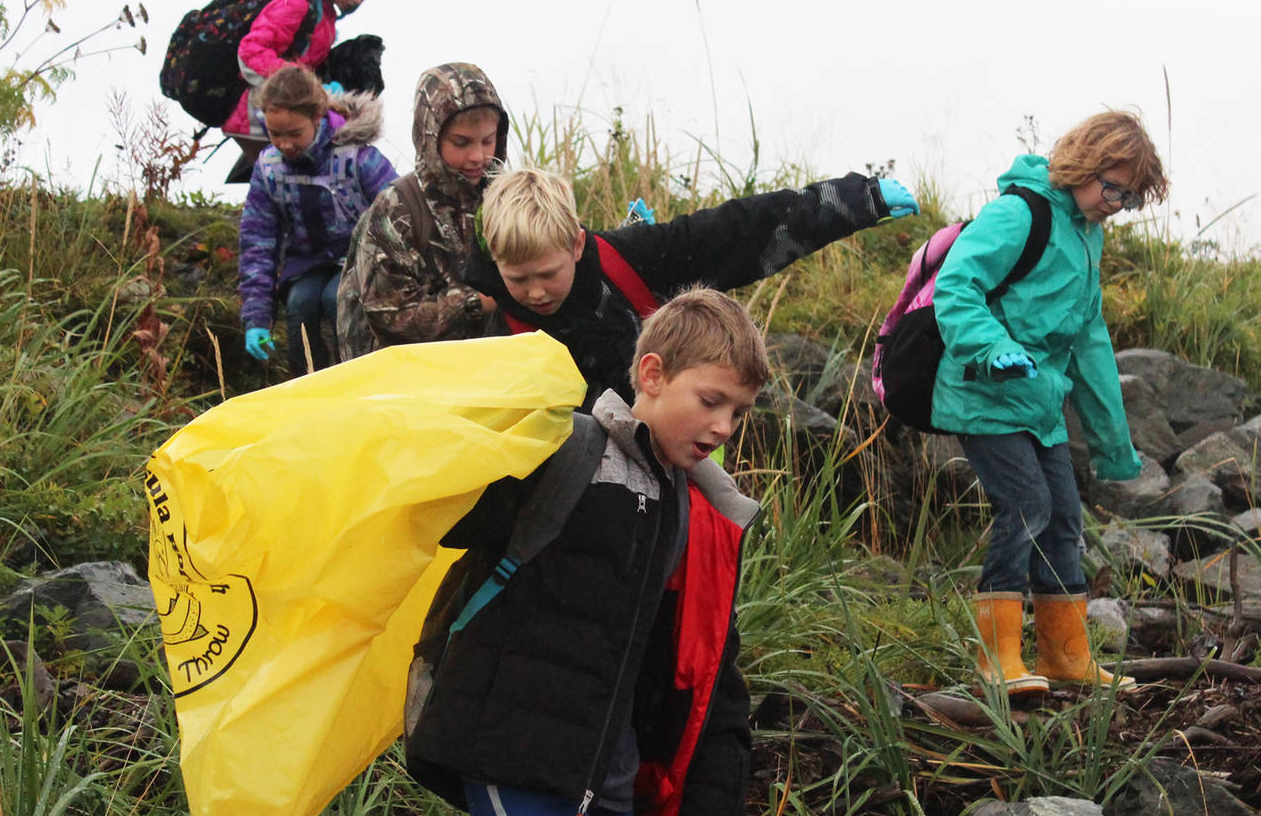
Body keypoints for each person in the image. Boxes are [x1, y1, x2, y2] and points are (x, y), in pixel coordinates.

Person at [405, 288, 767, 816]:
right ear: (652, 374)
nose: (722, 426)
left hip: (603, 768)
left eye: (738, 413)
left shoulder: (690, 504)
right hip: (511, 739)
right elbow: (429, 499)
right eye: (711, 400)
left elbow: (702, 664)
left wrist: (703, 814)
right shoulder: (562, 450)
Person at [931, 110, 1167, 697]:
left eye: (1130, 198)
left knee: (1063, 518)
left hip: (1039, 405)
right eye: (1113, 188)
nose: (1117, 205)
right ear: (1084, 165)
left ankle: (1065, 656)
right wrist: (992, 348)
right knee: (1026, 506)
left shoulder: (1088, 237)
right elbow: (956, 286)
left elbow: (1090, 342)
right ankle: (996, 660)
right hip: (984, 394)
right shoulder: (1020, 213)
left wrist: (1113, 444)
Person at [471, 166, 921, 402]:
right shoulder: (496, 339)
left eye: (547, 274)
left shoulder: (632, 258)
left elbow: (741, 229)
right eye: (518, 279)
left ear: (575, 245)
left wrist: (859, 200)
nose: (535, 292)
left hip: (673, 474)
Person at [336, 62, 507, 358]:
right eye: (461, 142)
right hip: (405, 373)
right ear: (430, 137)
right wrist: (479, 303)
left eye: (487, 140)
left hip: (492, 365)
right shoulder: (395, 210)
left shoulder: (505, 198)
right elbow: (392, 316)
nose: (477, 155)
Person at [236, 66, 397, 372]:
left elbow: (399, 215)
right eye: (275, 134)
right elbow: (258, 241)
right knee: (300, 304)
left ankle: (364, 376)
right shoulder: (269, 168)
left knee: (337, 299)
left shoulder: (358, 159)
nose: (285, 144)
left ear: (318, 117)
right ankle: (307, 384)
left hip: (362, 260)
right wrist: (257, 317)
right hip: (308, 264)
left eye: (295, 133)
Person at [222, 0, 385, 169]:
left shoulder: (324, 17)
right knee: (280, 176)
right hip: (256, 113)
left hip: (278, 111)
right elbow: (251, 52)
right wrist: (304, 85)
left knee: (284, 176)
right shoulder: (296, 4)